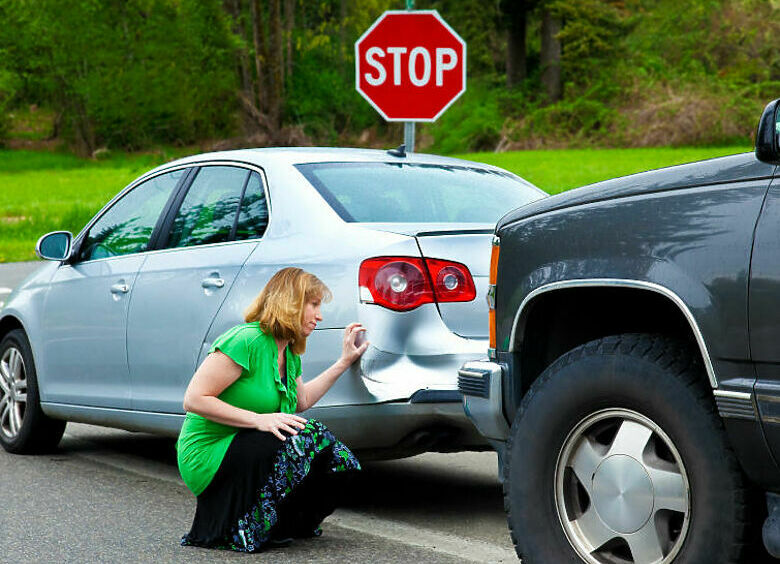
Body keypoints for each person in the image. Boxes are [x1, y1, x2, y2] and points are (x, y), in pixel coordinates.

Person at [176, 267, 368, 552]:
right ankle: (243, 527)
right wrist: (257, 420)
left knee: (338, 459)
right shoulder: (246, 339)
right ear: (289, 302)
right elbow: (194, 399)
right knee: (308, 435)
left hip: (249, 446)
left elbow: (301, 401)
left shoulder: (289, 351)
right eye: (313, 305)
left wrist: (343, 362)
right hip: (209, 451)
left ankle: (288, 522)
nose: (319, 315)